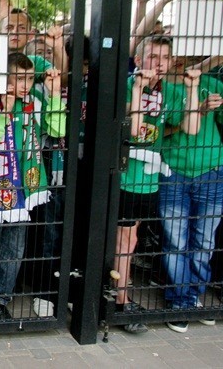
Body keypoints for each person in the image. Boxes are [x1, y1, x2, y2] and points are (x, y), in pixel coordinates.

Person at [0, 53, 65, 321]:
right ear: (5, 77)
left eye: (30, 78)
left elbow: (57, 130)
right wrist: (5, 113)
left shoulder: (35, 99)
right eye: (19, 78)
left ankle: (1, 298)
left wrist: (55, 94)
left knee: (14, 249)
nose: (25, 84)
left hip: (25, 190)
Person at [115, 35, 201, 333]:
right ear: (139, 61)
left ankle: (119, 292)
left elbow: (191, 128)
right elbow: (137, 129)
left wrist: (191, 90)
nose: (159, 63)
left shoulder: (173, 91)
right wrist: (139, 87)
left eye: (165, 58)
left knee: (132, 238)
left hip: (150, 179)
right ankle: (121, 300)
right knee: (124, 240)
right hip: (126, 174)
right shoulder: (128, 84)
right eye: (152, 57)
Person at [158, 55, 223, 333]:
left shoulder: (214, 85)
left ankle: (193, 295)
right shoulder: (164, 88)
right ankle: (180, 301)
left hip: (212, 170)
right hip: (174, 170)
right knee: (175, 240)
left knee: (205, 240)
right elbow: (164, 128)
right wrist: (198, 109)